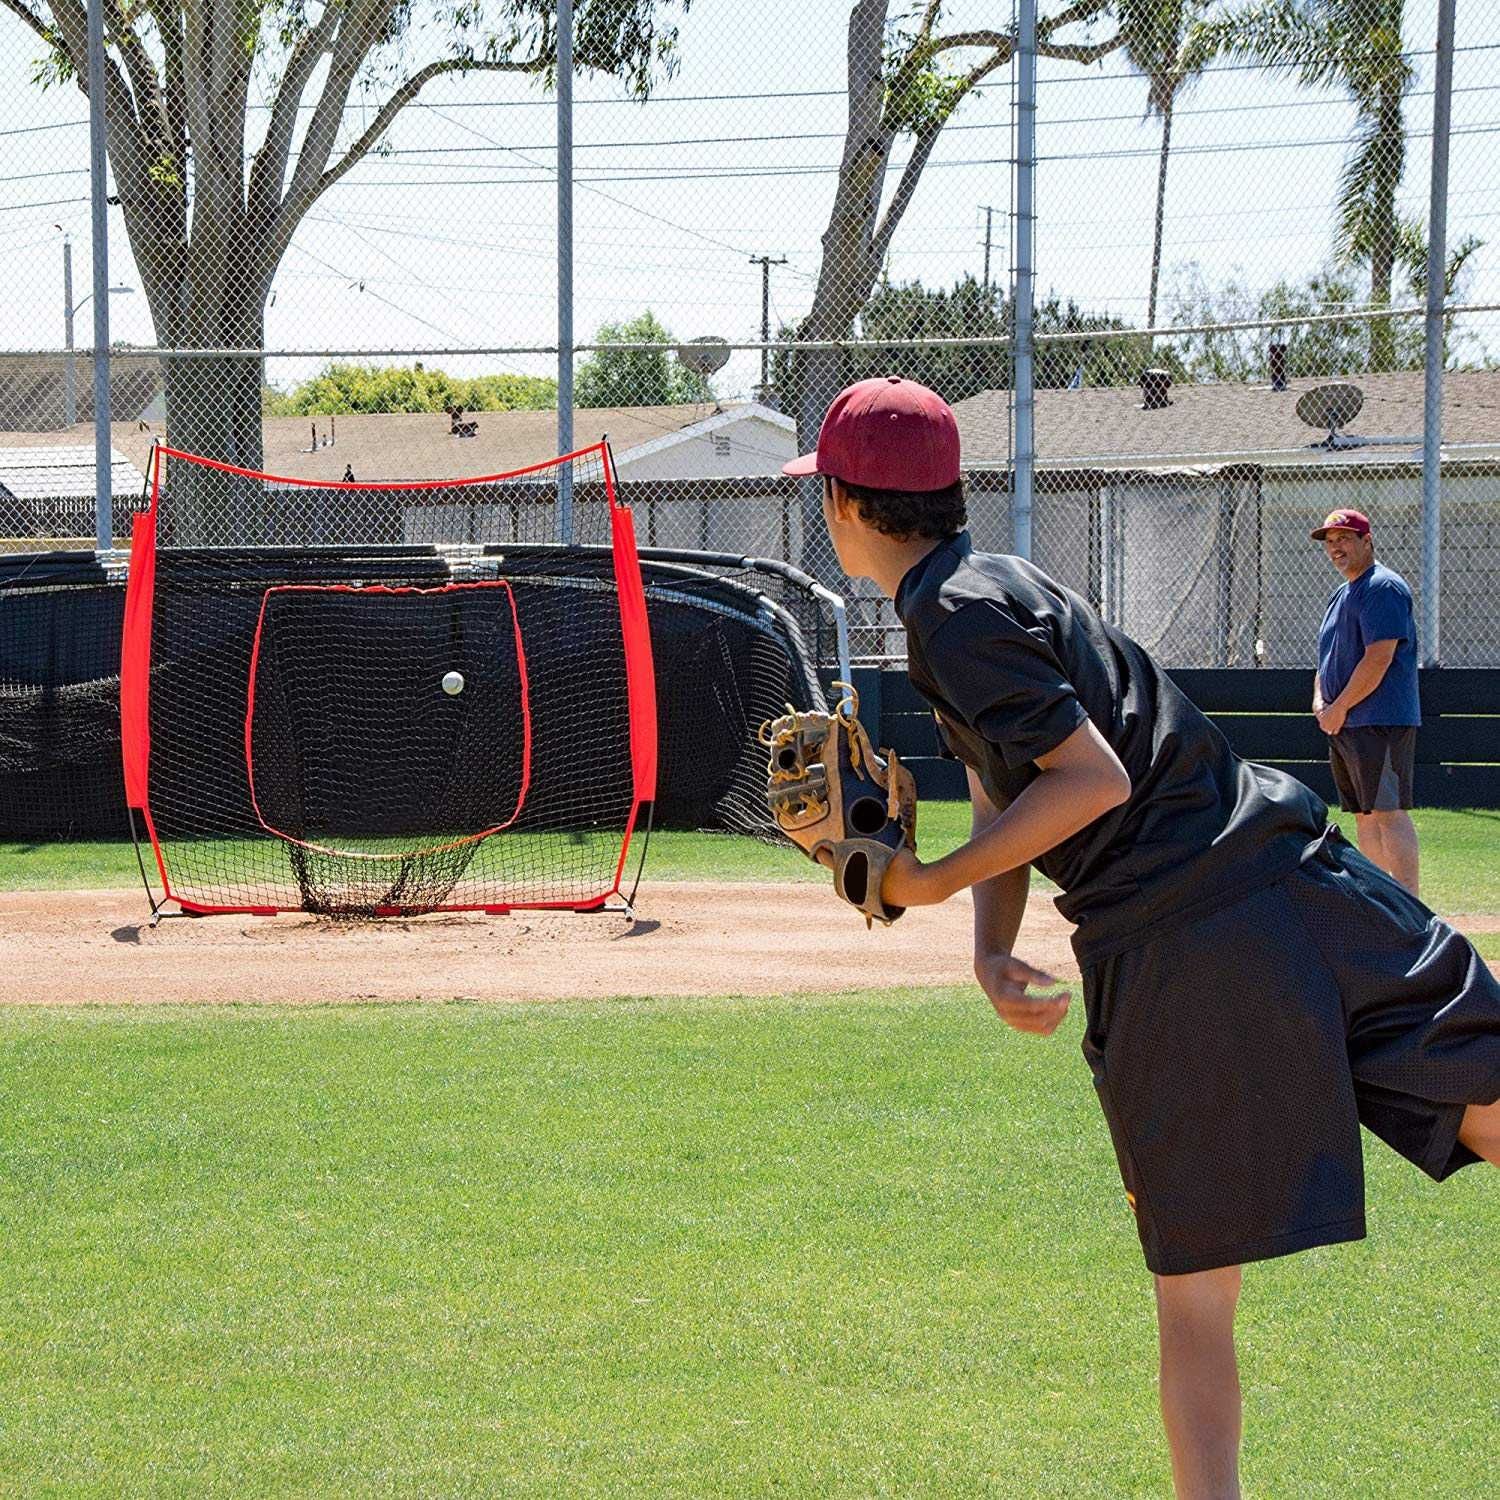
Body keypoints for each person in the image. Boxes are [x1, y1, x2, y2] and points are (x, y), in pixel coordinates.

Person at [784, 375, 1500, 1500]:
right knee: (1488, 1104)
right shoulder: (994, 583)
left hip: (1175, 942)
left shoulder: (951, 618)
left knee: (1197, 1299)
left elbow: (1088, 780)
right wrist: (986, 944)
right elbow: (1000, 784)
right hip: (1291, 876)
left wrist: (922, 885)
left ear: (842, 503)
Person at [1312, 509, 1422, 894]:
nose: (1336, 548)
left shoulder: (1382, 587)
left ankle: (1410, 907)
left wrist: (1339, 707)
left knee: (1388, 812)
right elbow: (1326, 659)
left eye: (1344, 538)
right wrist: (1321, 702)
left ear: (1367, 541)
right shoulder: (1341, 594)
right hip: (1344, 723)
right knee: (1364, 814)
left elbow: (1378, 658)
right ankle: (1380, 903)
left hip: (1379, 719)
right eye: (1330, 542)